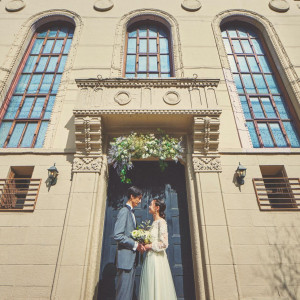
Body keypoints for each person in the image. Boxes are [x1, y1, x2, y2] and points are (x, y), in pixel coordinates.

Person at [139, 198, 177, 300]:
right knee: (149, 286)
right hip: (150, 258)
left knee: (157, 286)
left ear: (157, 208)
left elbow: (164, 244)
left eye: (151, 204)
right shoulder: (152, 223)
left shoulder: (161, 222)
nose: (149, 206)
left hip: (157, 260)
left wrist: (150, 246)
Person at [114, 186, 145, 300]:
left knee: (127, 294)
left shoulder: (132, 213)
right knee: (123, 294)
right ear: (132, 196)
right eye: (139, 198)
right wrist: (135, 245)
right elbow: (118, 235)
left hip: (131, 260)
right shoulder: (124, 211)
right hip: (125, 260)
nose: (140, 201)